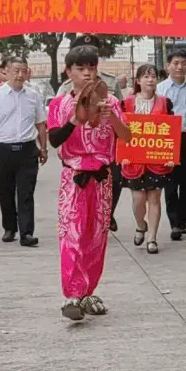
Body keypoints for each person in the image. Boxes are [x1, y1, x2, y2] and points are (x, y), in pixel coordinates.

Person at [47, 45, 132, 321]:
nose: (86, 73)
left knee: (96, 238)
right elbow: (55, 140)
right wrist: (75, 119)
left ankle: (86, 291)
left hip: (103, 177)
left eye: (91, 68)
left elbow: (127, 137)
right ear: (68, 71)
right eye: (80, 68)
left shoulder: (112, 104)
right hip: (73, 177)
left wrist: (112, 118)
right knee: (72, 235)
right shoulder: (59, 105)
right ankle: (72, 293)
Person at [0, 57, 48, 245]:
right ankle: (9, 227)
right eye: (16, 70)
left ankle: (26, 232)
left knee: (26, 193)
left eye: (23, 71)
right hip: (3, 150)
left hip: (27, 149)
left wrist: (44, 148)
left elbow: (41, 124)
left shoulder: (33, 96)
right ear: (6, 71)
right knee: (6, 192)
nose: (19, 75)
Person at [57, 35, 124, 230]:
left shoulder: (109, 83)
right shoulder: (65, 90)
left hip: (104, 148)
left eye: (93, 53)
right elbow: (60, 121)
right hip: (77, 153)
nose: (87, 71)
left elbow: (120, 114)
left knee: (115, 182)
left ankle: (107, 213)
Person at [123, 64, 173, 254]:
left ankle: (152, 238)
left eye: (153, 76)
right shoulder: (127, 103)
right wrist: (122, 155)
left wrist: (170, 155)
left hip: (156, 160)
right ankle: (140, 224)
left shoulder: (165, 103)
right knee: (138, 199)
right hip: (134, 160)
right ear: (138, 81)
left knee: (154, 198)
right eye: (146, 76)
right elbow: (120, 131)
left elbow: (170, 132)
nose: (150, 80)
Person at [157, 49, 186, 241]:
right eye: (175, 63)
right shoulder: (160, 89)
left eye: (183, 63)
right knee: (169, 181)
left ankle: (182, 221)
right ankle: (174, 222)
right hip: (167, 138)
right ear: (168, 65)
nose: (179, 66)